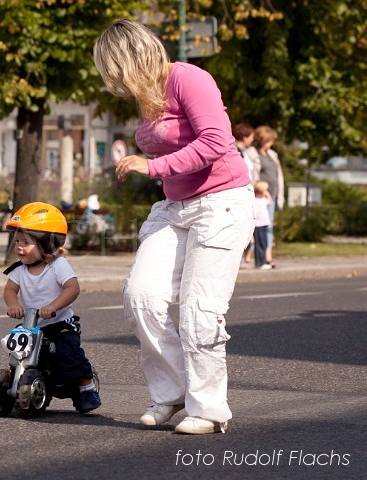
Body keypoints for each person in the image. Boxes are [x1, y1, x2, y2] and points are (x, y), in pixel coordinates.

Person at [93, 20, 255, 434]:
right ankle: (172, 392)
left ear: (131, 60)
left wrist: (152, 166)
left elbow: (216, 142)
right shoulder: (148, 97)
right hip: (175, 206)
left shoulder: (187, 78)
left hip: (221, 204)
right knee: (141, 296)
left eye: (114, 71)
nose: (114, 83)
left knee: (200, 311)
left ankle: (208, 409)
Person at [2, 201, 101, 413]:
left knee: (68, 353)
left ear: (47, 243)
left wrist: (53, 306)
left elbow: (72, 288)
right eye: (17, 240)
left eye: (26, 242)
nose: (19, 246)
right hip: (33, 325)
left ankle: (87, 388)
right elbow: (9, 290)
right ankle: (9, 383)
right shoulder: (19, 270)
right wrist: (13, 305)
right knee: (18, 352)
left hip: (60, 323)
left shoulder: (58, 265)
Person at [243, 126, 285, 268]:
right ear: (261, 140)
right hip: (259, 196)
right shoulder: (252, 154)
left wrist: (279, 195)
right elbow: (252, 174)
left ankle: (268, 256)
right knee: (254, 226)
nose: (270, 144)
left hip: (271, 195)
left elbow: (278, 175)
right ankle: (249, 257)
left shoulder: (273, 154)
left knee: (268, 226)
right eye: (268, 141)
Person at [233, 123, 255, 267]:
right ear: (245, 136)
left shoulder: (244, 150)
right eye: (251, 137)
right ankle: (237, 258)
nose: (253, 140)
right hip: (238, 192)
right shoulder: (236, 150)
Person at [253, 180, 273, 270]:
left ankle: (263, 261)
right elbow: (270, 200)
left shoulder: (263, 200)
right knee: (259, 244)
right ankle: (259, 263)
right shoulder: (255, 200)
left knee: (264, 244)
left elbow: (270, 201)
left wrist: (266, 193)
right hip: (258, 225)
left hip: (264, 224)